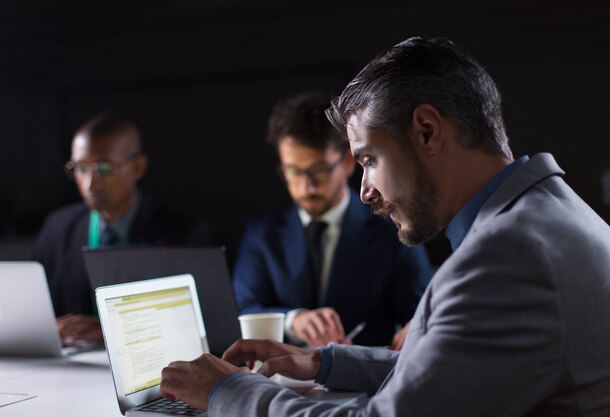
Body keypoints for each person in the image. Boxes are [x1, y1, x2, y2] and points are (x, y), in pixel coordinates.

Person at [159, 37, 610, 416]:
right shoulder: (542, 215)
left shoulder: (506, 258)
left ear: (428, 131)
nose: (365, 191)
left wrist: (227, 392)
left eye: (369, 160)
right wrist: (322, 362)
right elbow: (451, 372)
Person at [232, 91, 433, 348]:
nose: (307, 186)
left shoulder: (393, 230)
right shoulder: (262, 233)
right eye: (293, 171)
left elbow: (422, 313)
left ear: (348, 163)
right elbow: (243, 308)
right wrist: (293, 319)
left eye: (319, 170)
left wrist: (415, 329)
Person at [33, 113, 210, 345]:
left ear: (137, 167)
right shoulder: (58, 228)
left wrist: (111, 331)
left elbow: (194, 322)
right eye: (80, 168)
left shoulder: (180, 233)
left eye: (104, 168)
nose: (89, 183)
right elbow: (36, 307)